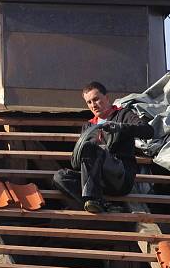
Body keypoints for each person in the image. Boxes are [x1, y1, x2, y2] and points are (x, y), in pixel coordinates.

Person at [53, 81, 154, 213]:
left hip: (119, 178)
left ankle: (93, 200)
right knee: (60, 177)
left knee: (91, 148)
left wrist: (120, 127)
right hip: (95, 181)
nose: (93, 105)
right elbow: (78, 163)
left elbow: (148, 131)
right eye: (89, 102)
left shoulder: (123, 115)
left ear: (107, 98)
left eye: (96, 99)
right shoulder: (88, 126)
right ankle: (104, 205)